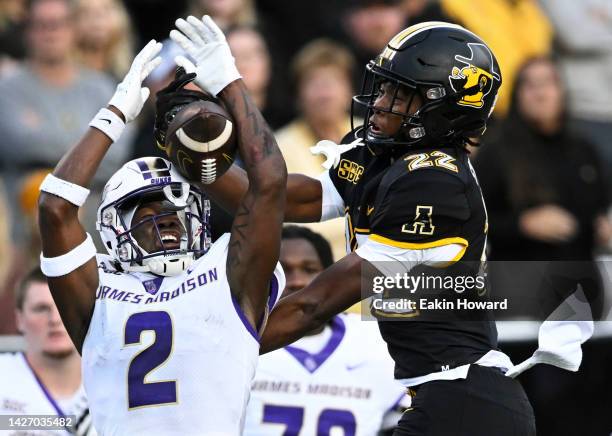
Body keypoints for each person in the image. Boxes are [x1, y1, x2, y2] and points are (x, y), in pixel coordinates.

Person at [173, 20, 538, 434]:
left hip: (467, 404)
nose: (380, 102)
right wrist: (192, 156)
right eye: (383, 87)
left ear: (441, 106)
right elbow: (279, 198)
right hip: (448, 400)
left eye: (399, 94)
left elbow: (315, 305)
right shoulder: (385, 157)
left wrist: (212, 353)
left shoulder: (436, 184)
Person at [38, 14, 287, 435]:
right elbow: (54, 207)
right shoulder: (96, 289)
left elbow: (270, 187)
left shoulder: (227, 272)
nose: (166, 217)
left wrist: (229, 80)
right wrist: (116, 113)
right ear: (116, 227)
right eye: (147, 210)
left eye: (173, 207)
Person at [244, 226, 408, 435]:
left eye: (310, 269)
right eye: (283, 273)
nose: (297, 282)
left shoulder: (374, 340)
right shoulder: (240, 340)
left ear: (331, 275)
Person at [475, 56, 610, 261]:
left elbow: (600, 208)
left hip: (579, 278)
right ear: (517, 95)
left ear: (561, 91)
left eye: (548, 83)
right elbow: (470, 219)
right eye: (529, 85)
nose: (540, 94)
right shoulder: (495, 153)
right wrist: (522, 225)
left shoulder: (584, 150)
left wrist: (601, 227)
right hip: (520, 275)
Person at [275, 39, 356, 259]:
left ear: (349, 90)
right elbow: (289, 223)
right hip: (312, 265)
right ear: (298, 95)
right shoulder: (279, 145)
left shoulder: (372, 135)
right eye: (314, 83)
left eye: (333, 82)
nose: (325, 94)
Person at [0, 266, 95, 435]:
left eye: (63, 307)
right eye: (41, 308)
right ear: (19, 319)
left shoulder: (115, 379)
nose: (55, 319)